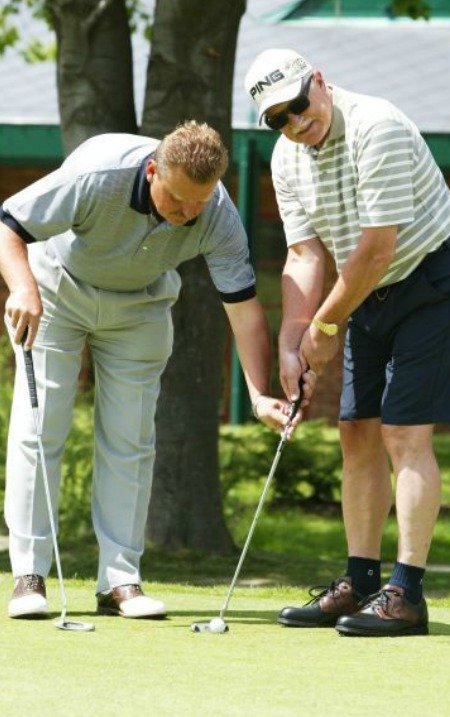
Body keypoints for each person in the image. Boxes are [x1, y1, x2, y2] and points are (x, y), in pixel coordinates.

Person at [0, 120, 312, 620]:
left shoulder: (216, 211)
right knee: (40, 431)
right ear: (152, 172)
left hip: (142, 306)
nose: (189, 214)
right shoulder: (95, 173)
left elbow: (242, 305)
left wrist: (258, 394)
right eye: (179, 201)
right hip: (56, 292)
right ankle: (28, 575)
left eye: (200, 202)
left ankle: (120, 581)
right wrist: (21, 289)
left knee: (132, 441)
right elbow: (9, 224)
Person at [245, 49, 450, 637]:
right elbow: (303, 254)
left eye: (299, 104)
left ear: (318, 81)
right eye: (279, 118)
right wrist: (291, 340)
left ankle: (408, 594)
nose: (296, 122)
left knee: (403, 431)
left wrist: (325, 328)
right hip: (365, 290)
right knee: (356, 430)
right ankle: (362, 581)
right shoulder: (287, 158)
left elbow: (377, 247)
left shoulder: (378, 127)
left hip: (432, 278)